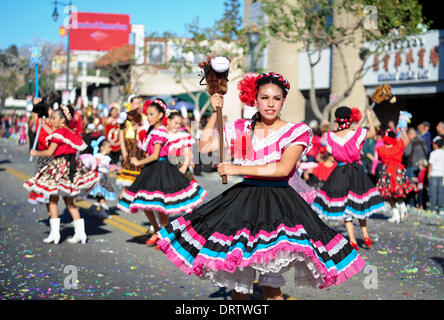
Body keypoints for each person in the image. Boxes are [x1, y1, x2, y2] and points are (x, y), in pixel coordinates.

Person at [157, 72, 366, 300]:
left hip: (278, 205)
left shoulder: (295, 131)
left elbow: (282, 169)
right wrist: (214, 111)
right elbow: (205, 147)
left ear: (283, 101)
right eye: (264, 97)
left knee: (271, 286)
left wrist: (237, 169)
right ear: (254, 99)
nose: (270, 103)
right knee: (240, 285)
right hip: (243, 203)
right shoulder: (241, 129)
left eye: (276, 98)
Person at [118, 99, 207, 248]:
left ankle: (164, 235)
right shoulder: (153, 130)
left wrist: (138, 162)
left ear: (160, 115)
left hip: (161, 168)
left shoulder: (159, 131)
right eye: (148, 114)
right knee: (145, 203)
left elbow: (155, 155)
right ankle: (159, 232)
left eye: (152, 114)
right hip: (152, 169)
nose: (149, 117)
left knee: (160, 205)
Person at [23, 104, 100, 244]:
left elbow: (50, 152)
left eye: (53, 118)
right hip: (70, 167)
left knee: (53, 200)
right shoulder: (68, 131)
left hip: (60, 167)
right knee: (70, 202)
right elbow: (55, 132)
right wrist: (44, 125)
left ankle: (55, 234)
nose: (51, 121)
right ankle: (80, 233)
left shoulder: (59, 133)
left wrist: (35, 153)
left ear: (62, 120)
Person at [312, 106, 385, 251]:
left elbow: (331, 154)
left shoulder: (330, 137)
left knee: (345, 207)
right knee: (359, 204)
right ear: (350, 118)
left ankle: (352, 240)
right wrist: (368, 116)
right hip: (356, 171)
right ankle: (365, 236)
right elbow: (373, 133)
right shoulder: (357, 133)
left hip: (340, 172)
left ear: (337, 120)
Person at [376, 129, 418, 223]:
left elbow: (379, 158)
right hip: (398, 171)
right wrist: (402, 131)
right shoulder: (398, 147)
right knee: (398, 192)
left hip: (387, 172)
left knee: (389, 194)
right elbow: (407, 140)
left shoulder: (381, 149)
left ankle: (396, 215)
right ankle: (402, 210)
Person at [115, 97, 147, 193]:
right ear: (131, 104)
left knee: (139, 177)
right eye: (135, 103)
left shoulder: (144, 117)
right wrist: (123, 150)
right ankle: (124, 201)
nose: (137, 105)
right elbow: (121, 133)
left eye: (139, 103)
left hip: (140, 147)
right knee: (126, 179)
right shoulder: (126, 116)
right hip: (129, 146)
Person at [89, 137, 118, 210]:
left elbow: (110, 169)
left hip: (105, 176)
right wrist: (96, 162)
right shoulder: (97, 155)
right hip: (98, 176)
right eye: (109, 147)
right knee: (100, 192)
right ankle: (101, 206)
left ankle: (99, 209)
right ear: (102, 148)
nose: (110, 149)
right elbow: (93, 164)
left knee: (104, 193)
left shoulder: (108, 158)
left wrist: (113, 169)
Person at [403, 127, 427, 206]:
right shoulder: (423, 141)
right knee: (420, 186)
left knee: (411, 185)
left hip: (412, 166)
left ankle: (411, 203)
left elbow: (406, 153)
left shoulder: (411, 142)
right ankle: (421, 203)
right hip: (422, 167)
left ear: (410, 134)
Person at [428, 137, 444, 215]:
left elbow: (431, 164)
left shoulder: (433, 153)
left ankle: (433, 208)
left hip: (434, 174)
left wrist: (428, 174)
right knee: (441, 192)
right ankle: (441, 208)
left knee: (433, 192)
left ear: (436, 145)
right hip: (442, 175)